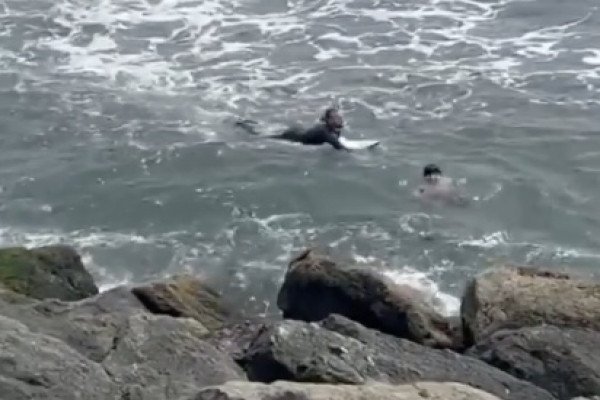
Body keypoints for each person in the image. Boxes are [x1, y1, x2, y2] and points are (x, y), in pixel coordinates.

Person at [236, 108, 350, 151]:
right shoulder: (326, 133)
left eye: (339, 116)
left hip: (299, 130)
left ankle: (250, 122)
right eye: (334, 118)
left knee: (266, 130)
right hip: (293, 136)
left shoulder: (331, 129)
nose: (338, 119)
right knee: (259, 135)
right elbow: (341, 148)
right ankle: (243, 125)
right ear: (328, 121)